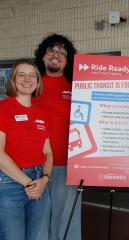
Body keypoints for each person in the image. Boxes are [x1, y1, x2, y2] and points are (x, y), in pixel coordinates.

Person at [34, 34, 81, 240]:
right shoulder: (31, 84)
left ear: (68, 60)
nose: (56, 55)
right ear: (42, 57)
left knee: (66, 219)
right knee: (37, 217)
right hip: (34, 164)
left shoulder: (77, 87)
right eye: (51, 51)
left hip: (67, 164)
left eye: (62, 53)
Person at [0, 59, 53, 240]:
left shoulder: (42, 113)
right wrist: (28, 183)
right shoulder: (3, 108)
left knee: (38, 236)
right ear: (13, 80)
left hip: (39, 182)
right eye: (21, 75)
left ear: (38, 81)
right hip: (10, 183)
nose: (27, 79)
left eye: (32, 75)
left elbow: (48, 152)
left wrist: (44, 180)